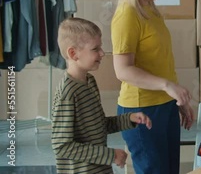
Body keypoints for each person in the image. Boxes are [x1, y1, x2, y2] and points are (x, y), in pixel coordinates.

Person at [111, 0, 193, 174]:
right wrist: (168, 86)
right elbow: (123, 70)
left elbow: (162, 62)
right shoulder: (127, 14)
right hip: (141, 109)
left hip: (164, 105)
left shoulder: (150, 9)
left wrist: (178, 99)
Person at [51, 17, 152, 173]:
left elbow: (98, 126)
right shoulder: (68, 94)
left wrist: (129, 119)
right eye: (95, 49)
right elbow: (62, 146)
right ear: (73, 53)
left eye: (101, 47)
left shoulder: (89, 82)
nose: (102, 53)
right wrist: (110, 155)